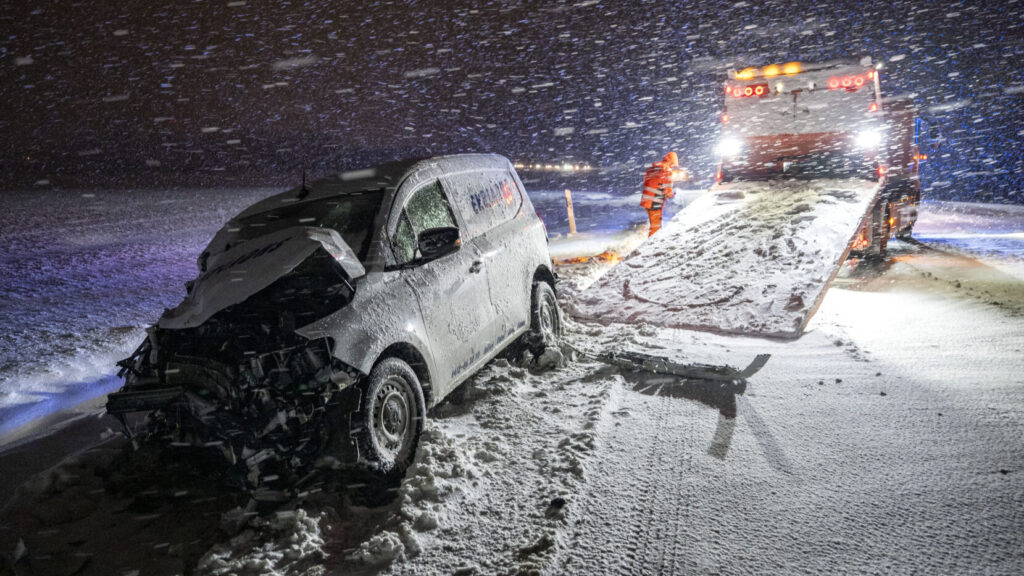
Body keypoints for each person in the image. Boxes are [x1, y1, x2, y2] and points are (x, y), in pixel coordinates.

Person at [640, 151, 685, 236]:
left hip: (646, 200)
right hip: (655, 201)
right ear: (672, 161)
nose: (672, 166)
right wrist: (671, 195)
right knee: (655, 227)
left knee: (652, 223)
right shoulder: (667, 170)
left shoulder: (652, 167)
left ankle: (642, 236)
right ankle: (652, 242)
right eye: (673, 164)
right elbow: (668, 188)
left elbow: (646, 182)